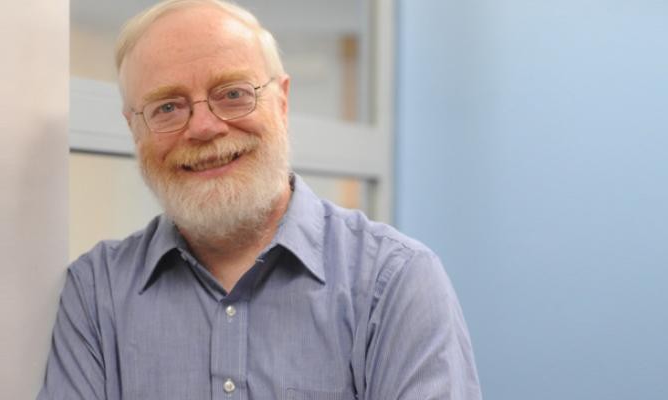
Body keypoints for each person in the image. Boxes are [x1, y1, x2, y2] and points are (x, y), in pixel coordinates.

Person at [38, 0, 482, 399]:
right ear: (134, 129)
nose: (204, 127)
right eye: (167, 107)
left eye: (232, 94)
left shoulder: (395, 281)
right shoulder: (96, 293)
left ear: (282, 102)